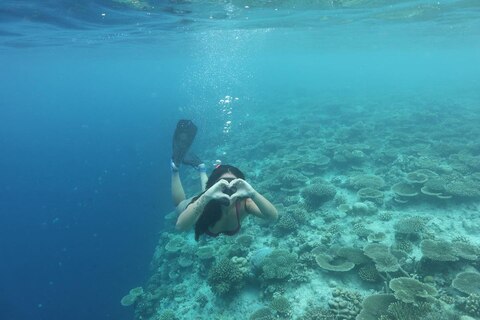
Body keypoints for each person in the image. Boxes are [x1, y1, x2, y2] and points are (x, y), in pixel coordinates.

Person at [170, 120, 278, 241]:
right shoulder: (203, 203)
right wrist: (206, 196)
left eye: (234, 183)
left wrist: (252, 193)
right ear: (213, 186)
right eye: (222, 184)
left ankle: (201, 168)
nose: (228, 189)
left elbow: (273, 217)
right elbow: (180, 227)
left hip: (210, 193)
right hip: (206, 198)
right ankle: (175, 169)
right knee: (178, 206)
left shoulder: (244, 203)